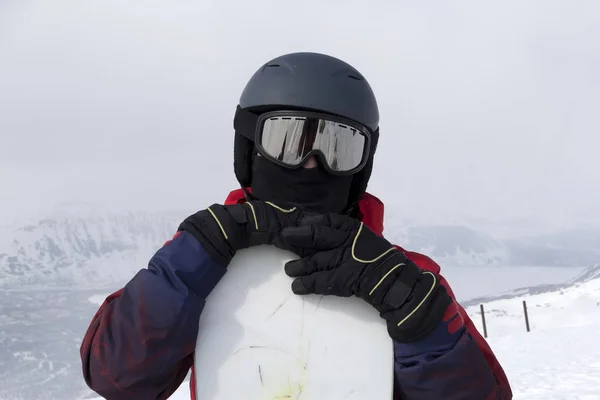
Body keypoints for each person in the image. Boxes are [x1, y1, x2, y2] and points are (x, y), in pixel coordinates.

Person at [80, 52, 513, 399]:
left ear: (362, 167)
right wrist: (190, 258)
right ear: (249, 149)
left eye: (338, 147)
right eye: (287, 140)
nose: (312, 164)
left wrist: (424, 321)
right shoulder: (205, 258)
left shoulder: (401, 276)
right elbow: (117, 378)